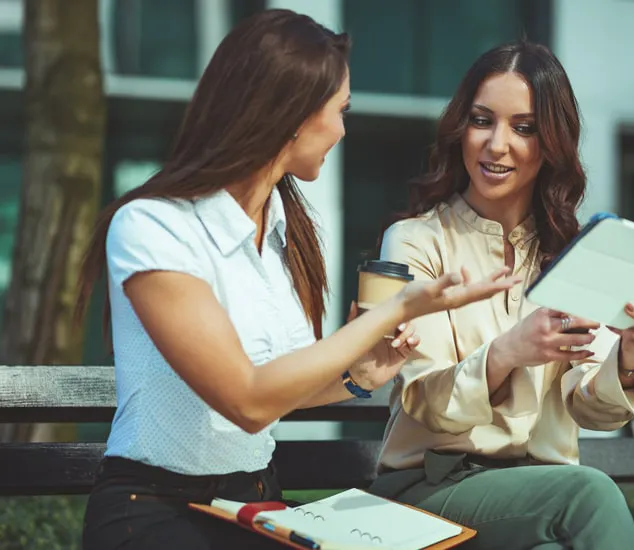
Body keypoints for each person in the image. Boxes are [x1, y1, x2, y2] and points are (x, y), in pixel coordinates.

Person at [76, 10, 519, 550]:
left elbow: (281, 388)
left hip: (256, 504)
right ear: (291, 113)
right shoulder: (154, 226)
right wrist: (396, 309)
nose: (343, 128)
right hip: (155, 513)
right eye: (340, 110)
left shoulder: (283, 232)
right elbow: (246, 399)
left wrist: (359, 376)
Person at [369, 41, 634, 550]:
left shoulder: (574, 252)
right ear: (461, 128)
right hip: (430, 490)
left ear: (551, 145)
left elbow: (595, 411)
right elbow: (423, 401)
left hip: (537, 500)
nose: (497, 144)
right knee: (588, 494)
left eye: (523, 128)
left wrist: (631, 355)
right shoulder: (416, 241)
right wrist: (506, 353)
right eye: (482, 120)